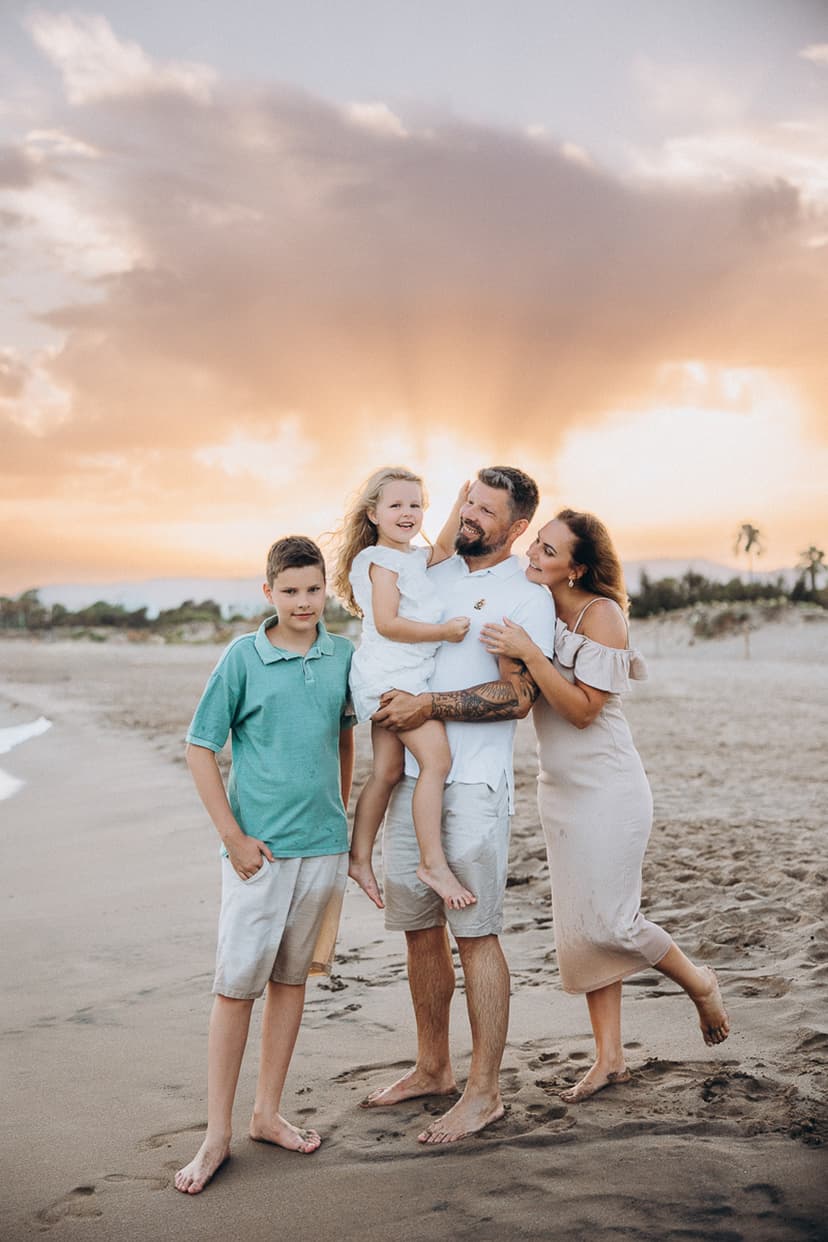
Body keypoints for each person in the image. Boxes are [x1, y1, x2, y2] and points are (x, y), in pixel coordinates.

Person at [480, 508, 730, 1103]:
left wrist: (530, 654)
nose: (533, 556)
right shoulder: (535, 609)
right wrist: (508, 648)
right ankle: (610, 1058)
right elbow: (518, 695)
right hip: (558, 790)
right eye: (535, 545)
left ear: (578, 568)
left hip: (609, 789)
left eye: (548, 552)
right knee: (583, 927)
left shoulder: (603, 615)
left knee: (614, 920)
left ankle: (700, 983)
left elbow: (584, 710)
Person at [365, 467, 557, 1143]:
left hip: (473, 783)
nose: (472, 515)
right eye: (469, 502)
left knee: (475, 934)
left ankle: (484, 1093)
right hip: (412, 778)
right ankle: (433, 1067)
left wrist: (431, 706)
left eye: (487, 509)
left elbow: (519, 697)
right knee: (418, 928)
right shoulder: (430, 571)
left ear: (517, 526)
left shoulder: (525, 595)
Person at [174, 536, 355, 1194]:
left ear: (325, 591)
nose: (304, 603)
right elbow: (200, 748)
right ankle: (216, 1134)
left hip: (323, 850)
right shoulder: (243, 657)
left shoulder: (342, 656)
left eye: (314, 590)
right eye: (291, 591)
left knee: (290, 980)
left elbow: (343, 735)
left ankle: (266, 1113)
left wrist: (341, 815)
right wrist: (234, 837)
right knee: (235, 988)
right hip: (260, 856)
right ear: (269, 593)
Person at [333, 468, 474, 910]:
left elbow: (447, 546)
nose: (407, 513)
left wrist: (460, 503)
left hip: (391, 674)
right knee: (437, 760)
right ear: (373, 513)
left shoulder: (410, 556)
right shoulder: (380, 561)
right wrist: (444, 632)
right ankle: (432, 863)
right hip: (392, 677)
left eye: (415, 504)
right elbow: (389, 623)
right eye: (396, 505)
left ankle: (358, 858)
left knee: (389, 772)